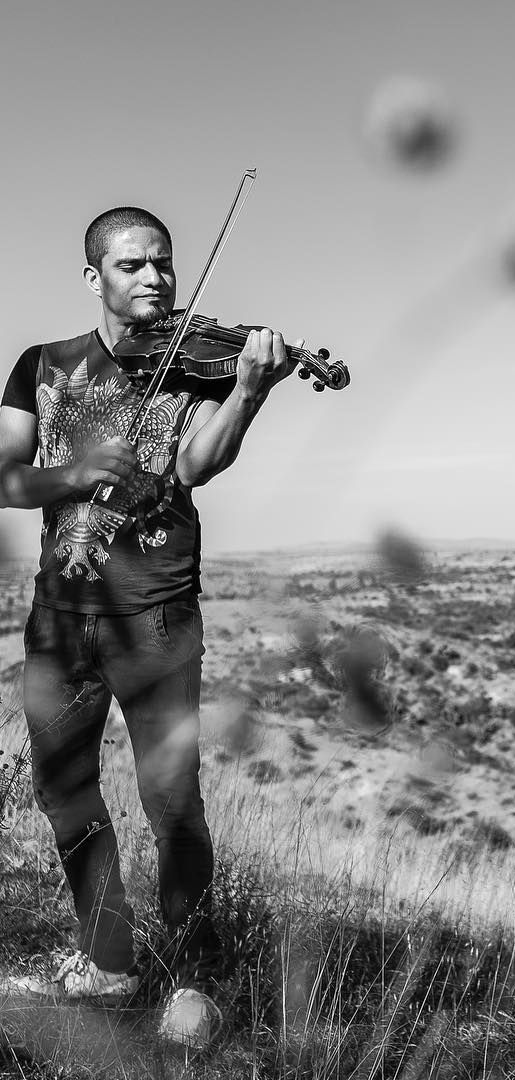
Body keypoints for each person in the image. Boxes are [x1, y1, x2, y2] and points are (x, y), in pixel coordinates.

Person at [0, 206, 295, 1007]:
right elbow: (5, 475)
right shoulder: (41, 366)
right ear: (94, 276)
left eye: (163, 263)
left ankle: (195, 978)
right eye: (132, 265)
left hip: (158, 616)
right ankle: (109, 958)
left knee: (171, 801)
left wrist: (248, 393)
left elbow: (196, 465)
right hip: (60, 617)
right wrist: (73, 473)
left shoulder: (197, 364)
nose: (155, 278)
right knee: (63, 789)